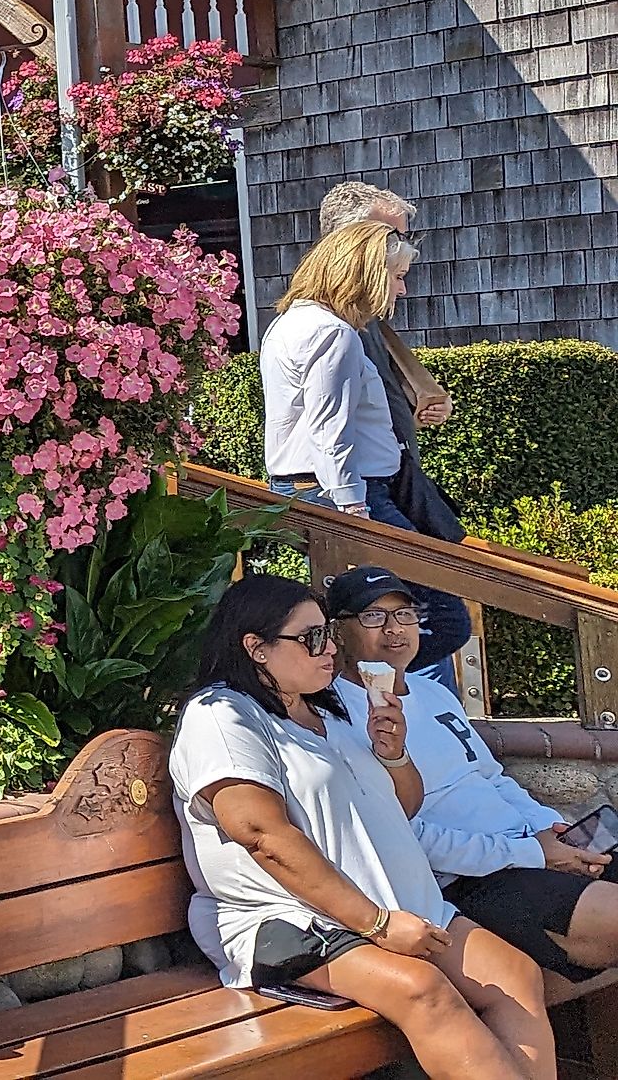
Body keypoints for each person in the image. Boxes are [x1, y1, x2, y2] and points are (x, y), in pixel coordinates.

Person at [170, 575, 553, 1079]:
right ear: (256, 647)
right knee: (425, 991)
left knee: (516, 975)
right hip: (294, 921)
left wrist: (393, 757)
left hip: (402, 903)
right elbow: (262, 835)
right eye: (310, 638)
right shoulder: (222, 716)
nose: (329, 648)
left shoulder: (332, 709)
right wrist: (377, 923)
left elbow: (404, 808)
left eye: (327, 632)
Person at [329, 565, 618, 984]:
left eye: (405, 614)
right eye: (373, 617)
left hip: (530, 849)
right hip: (470, 880)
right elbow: (406, 837)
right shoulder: (341, 718)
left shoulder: (434, 692)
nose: (394, 629)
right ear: (338, 631)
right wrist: (535, 854)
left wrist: (551, 831)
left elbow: (491, 777)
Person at [263, 219, 472, 687]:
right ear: (366, 275)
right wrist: (354, 509)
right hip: (345, 493)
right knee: (443, 615)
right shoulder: (331, 333)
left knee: (387, 612)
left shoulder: (291, 323)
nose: (401, 289)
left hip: (332, 487)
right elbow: (326, 428)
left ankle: (363, 695)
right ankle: (356, 694)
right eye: (396, 277)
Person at [317, 182, 461, 540]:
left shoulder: (365, 317)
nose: (403, 244)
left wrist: (427, 404)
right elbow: (327, 427)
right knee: (436, 591)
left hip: (394, 478)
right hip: (363, 492)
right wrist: (353, 506)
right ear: (352, 237)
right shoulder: (326, 322)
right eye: (391, 234)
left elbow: (379, 400)